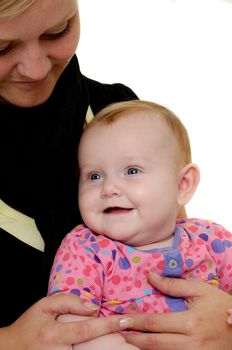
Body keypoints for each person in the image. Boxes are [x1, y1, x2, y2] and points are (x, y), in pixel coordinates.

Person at [1, 0, 232, 349]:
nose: (35, 69)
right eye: (1, 47)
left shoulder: (121, 117)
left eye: (58, 31)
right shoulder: (82, 249)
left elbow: (169, 226)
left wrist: (225, 325)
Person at [48, 99, 232, 349]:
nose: (109, 188)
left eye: (132, 171)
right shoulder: (85, 249)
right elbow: (69, 320)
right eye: (94, 176)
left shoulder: (211, 239)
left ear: (182, 185)